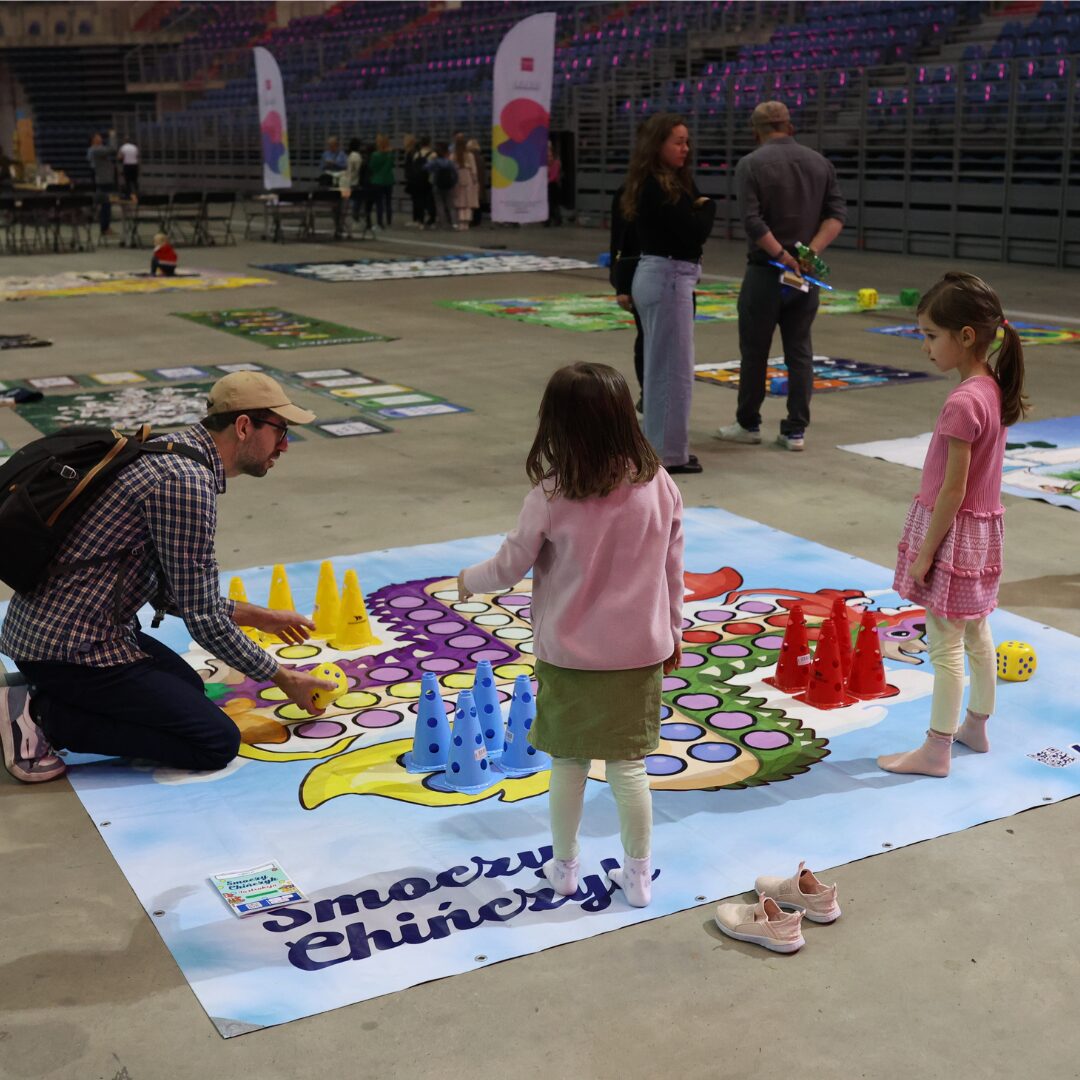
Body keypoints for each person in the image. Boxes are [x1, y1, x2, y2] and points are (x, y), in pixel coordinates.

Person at [0, 372, 335, 783]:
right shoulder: (184, 482)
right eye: (280, 431)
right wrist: (284, 679)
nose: (284, 445)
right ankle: (39, 715)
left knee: (187, 692)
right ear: (245, 426)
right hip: (70, 649)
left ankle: (43, 693)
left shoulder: (168, 452)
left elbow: (169, 590)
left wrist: (258, 616)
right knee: (213, 742)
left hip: (65, 631)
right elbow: (203, 618)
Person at [457, 362, 684, 908]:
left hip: (570, 658)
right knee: (630, 769)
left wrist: (467, 580)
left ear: (557, 424)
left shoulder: (553, 493)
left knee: (568, 765)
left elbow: (510, 567)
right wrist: (674, 630)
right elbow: (675, 568)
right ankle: (638, 877)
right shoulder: (659, 484)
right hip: (638, 654)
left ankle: (564, 869)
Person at [877, 272, 1029, 778]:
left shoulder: (963, 402)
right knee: (976, 633)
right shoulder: (991, 387)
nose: (924, 346)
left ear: (965, 336)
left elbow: (953, 490)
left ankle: (936, 749)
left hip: (954, 534)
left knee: (944, 644)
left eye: (929, 335)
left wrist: (925, 553)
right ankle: (976, 726)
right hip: (982, 535)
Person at [715, 100, 847, 453]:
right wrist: (808, 254)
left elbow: (752, 221)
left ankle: (748, 423)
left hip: (766, 271)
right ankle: (795, 430)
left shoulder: (750, 164)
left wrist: (783, 256)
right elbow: (836, 216)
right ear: (790, 127)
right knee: (800, 351)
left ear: (755, 130)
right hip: (804, 276)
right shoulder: (820, 163)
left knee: (755, 351)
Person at [623, 113, 715, 475]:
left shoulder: (658, 182)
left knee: (662, 368)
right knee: (672, 372)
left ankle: (658, 448)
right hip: (668, 277)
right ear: (657, 144)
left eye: (687, 141)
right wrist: (708, 208)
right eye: (678, 141)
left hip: (659, 275)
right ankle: (669, 454)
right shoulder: (659, 187)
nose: (685, 148)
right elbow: (693, 231)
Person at [609, 182, 644, 412]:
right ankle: (648, 393)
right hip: (640, 274)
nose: (684, 150)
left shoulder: (683, 187)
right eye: (678, 143)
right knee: (646, 338)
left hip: (677, 279)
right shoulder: (629, 191)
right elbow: (620, 239)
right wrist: (621, 283)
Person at [87, 131, 117, 235]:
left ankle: (105, 226)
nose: (100, 138)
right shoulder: (96, 150)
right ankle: (105, 227)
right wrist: (112, 137)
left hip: (104, 179)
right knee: (106, 205)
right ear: (93, 140)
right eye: (98, 136)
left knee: (106, 205)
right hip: (104, 181)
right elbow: (112, 149)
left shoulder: (94, 150)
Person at [450, 133, 478, 231]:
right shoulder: (470, 155)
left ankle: (461, 222)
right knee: (468, 202)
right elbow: (474, 169)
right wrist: (475, 180)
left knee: (460, 202)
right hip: (468, 177)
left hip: (458, 177)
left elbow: (451, 168)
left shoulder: (453, 155)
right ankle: (467, 223)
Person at [425, 141, 457, 229]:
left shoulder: (435, 162)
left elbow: (426, 167)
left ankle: (443, 223)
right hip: (448, 185)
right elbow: (455, 174)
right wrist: (453, 183)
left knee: (439, 205)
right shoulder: (449, 162)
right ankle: (454, 223)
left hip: (437, 185)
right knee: (450, 204)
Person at [368, 134, 395, 229]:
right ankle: (389, 221)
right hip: (388, 180)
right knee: (388, 202)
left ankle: (380, 223)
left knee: (379, 203)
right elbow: (392, 165)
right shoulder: (391, 155)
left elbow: (371, 167)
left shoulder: (375, 155)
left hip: (377, 180)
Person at [345, 137, 371, 234]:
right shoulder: (356, 156)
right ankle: (355, 220)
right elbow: (359, 170)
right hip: (356, 182)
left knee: (356, 203)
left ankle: (356, 220)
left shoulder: (350, 155)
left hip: (351, 181)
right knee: (357, 203)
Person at [467, 137, 487, 227]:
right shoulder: (481, 157)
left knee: (473, 202)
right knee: (479, 201)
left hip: (473, 182)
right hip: (480, 182)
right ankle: (477, 220)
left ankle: (473, 220)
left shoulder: (471, 157)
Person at [545, 140, 562, 226]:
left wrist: (547, 180)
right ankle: (548, 220)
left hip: (553, 185)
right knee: (548, 203)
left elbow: (554, 176)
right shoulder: (546, 161)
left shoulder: (556, 162)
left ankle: (556, 219)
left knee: (553, 203)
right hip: (547, 184)